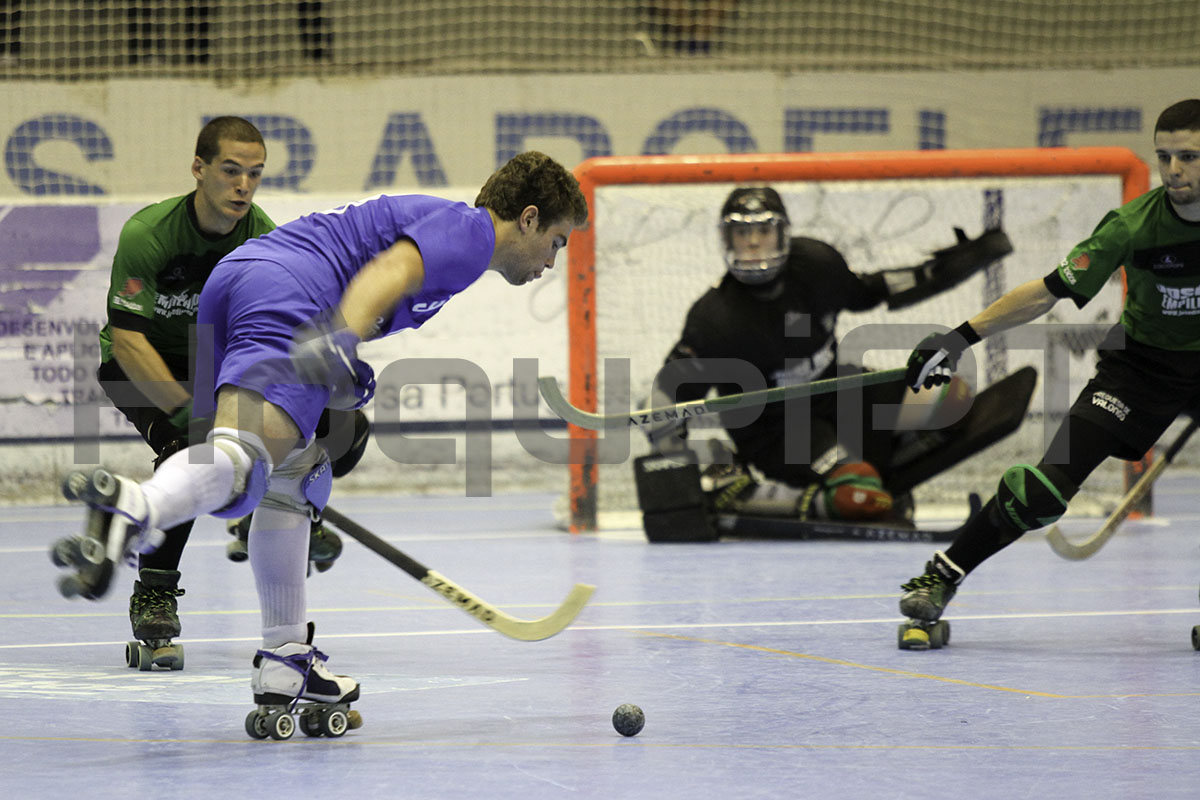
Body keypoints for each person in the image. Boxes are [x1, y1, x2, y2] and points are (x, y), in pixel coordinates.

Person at [60, 150, 589, 717]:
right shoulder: (471, 233)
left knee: (287, 473)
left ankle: (286, 660)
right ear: (528, 218)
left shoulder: (450, 231)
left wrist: (343, 365)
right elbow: (390, 271)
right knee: (244, 462)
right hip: (289, 290)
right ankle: (136, 509)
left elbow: (370, 274)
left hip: (238, 281)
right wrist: (338, 341)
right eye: (556, 241)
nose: (552, 261)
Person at [897, 99, 1200, 647]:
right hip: (1141, 370)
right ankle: (941, 575)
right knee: (1040, 490)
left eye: (1189, 157)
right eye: (1164, 157)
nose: (1174, 170)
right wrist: (959, 338)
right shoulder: (1131, 227)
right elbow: (1044, 293)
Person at [642, 185, 1011, 523]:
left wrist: (938, 271)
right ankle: (789, 497)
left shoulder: (816, 265)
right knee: (857, 498)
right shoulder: (713, 318)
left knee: (952, 399)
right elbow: (671, 397)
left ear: (782, 234)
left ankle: (878, 476)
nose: (753, 243)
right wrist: (686, 464)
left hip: (839, 392)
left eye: (763, 231)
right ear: (727, 240)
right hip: (779, 430)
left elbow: (868, 291)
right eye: (742, 233)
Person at [96, 115, 274, 666]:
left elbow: (269, 333)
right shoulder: (148, 234)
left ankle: (257, 506)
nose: (243, 186)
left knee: (308, 424)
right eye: (230, 170)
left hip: (209, 361)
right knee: (191, 451)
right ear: (199, 168)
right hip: (136, 359)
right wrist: (190, 414)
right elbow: (128, 340)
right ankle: (153, 593)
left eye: (254, 173)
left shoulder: (264, 239)